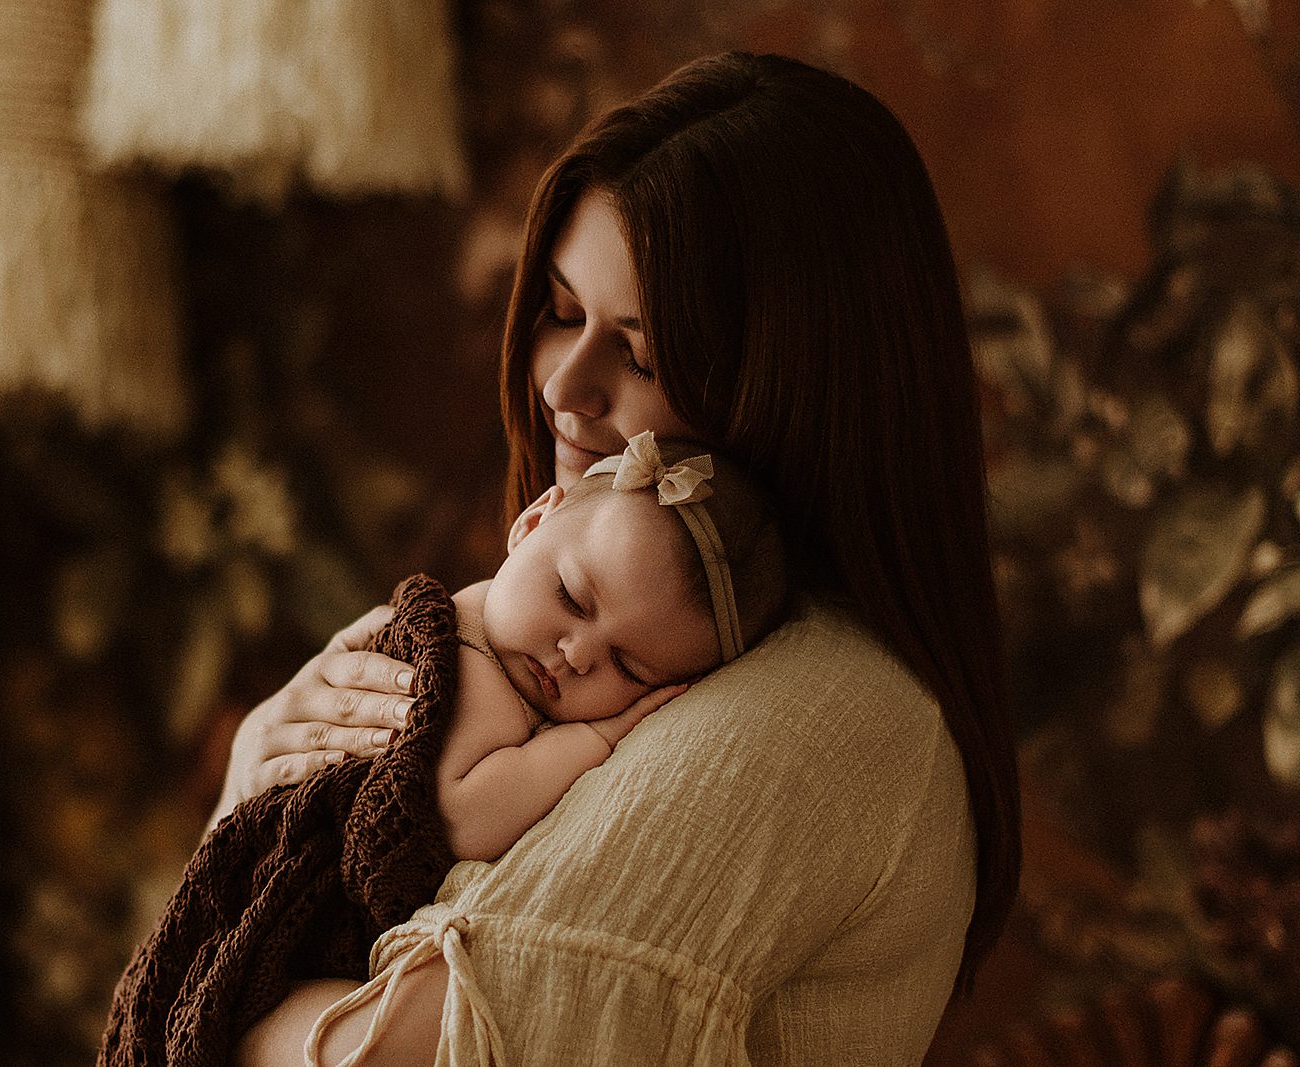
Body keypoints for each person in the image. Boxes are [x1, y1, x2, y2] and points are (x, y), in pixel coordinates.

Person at [221, 50, 1022, 1066]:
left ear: (793, 391)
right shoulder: (574, 638)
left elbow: (402, 1055)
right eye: (561, 311)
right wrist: (256, 782)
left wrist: (221, 990)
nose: (564, 387)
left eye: (641, 355)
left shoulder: (820, 707)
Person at [440, 431, 785, 863]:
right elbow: (464, 821)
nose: (575, 655)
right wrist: (596, 737)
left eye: (627, 668)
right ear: (531, 525)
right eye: (570, 596)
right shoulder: (470, 660)